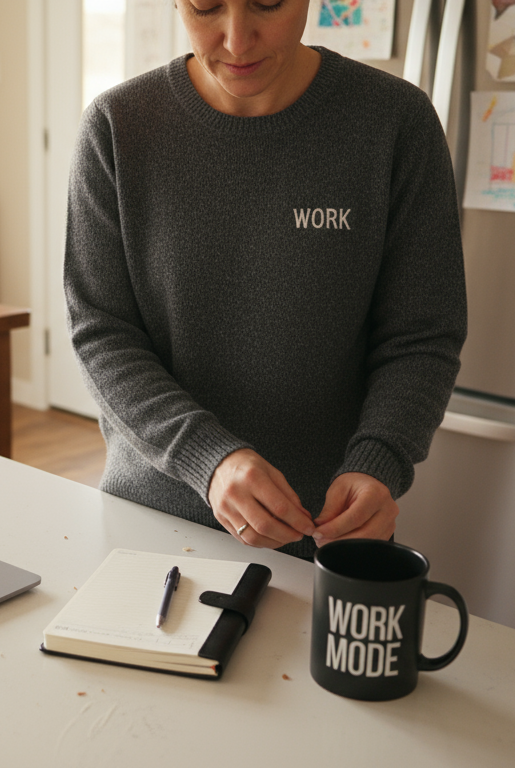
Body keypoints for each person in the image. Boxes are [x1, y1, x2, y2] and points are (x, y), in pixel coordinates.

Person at [63, 0, 467, 560]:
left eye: (267, 3)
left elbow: (422, 333)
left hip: (324, 530)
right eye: (206, 7)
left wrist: (380, 459)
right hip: (152, 523)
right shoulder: (117, 126)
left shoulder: (394, 121)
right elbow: (100, 331)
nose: (236, 39)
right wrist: (208, 457)